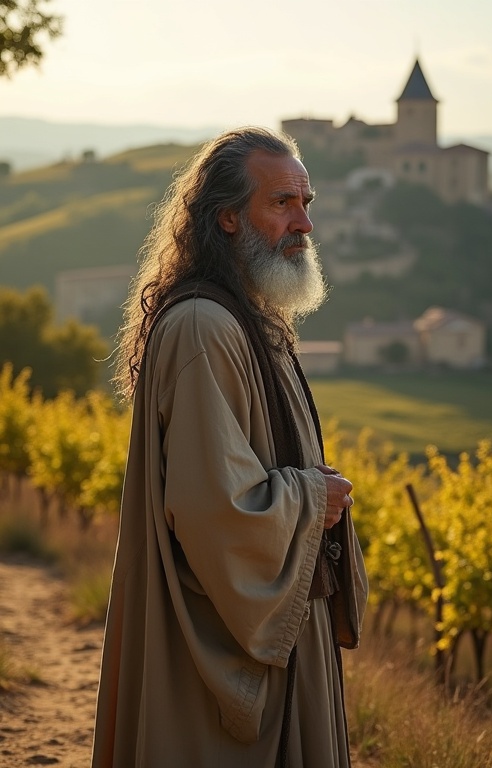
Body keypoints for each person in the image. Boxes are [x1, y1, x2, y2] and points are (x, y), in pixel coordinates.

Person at [91, 126, 367, 768]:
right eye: (282, 203)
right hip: (215, 642)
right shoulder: (203, 327)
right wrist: (308, 497)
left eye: (307, 202)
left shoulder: (252, 318)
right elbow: (212, 508)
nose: (304, 223)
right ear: (227, 218)